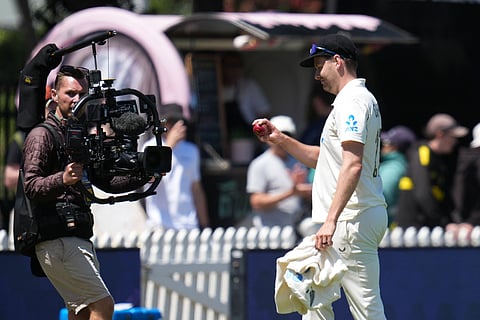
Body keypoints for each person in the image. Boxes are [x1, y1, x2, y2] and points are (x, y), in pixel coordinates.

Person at [254, 34, 387, 319]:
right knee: (311, 295)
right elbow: (324, 159)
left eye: (319, 66)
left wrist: (331, 219)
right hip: (350, 218)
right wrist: (280, 139)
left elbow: (352, 165)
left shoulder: (352, 101)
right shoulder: (352, 101)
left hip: (350, 220)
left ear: (337, 62)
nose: (316, 75)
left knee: (366, 311)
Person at [23, 65, 149, 319]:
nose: (77, 99)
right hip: (56, 239)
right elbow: (31, 186)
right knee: (103, 305)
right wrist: (62, 179)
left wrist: (144, 174)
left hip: (75, 237)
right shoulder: (42, 135)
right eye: (70, 93)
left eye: (81, 93)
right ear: (54, 96)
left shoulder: (79, 135)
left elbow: (106, 182)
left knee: (80, 312)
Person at [143, 103, 209, 230]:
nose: (174, 127)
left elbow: (196, 188)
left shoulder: (191, 150)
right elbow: (148, 180)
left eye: (177, 122)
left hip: (188, 225)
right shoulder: (150, 148)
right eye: (170, 122)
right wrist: (169, 146)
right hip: (160, 225)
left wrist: (205, 224)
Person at [396, 113, 468, 229]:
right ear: (440, 134)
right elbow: (423, 194)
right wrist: (445, 224)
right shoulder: (422, 153)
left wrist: (454, 222)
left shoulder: (441, 159)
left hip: (429, 227)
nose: (455, 141)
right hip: (413, 230)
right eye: (452, 136)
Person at [246, 115, 311, 228]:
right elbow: (256, 202)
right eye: (276, 134)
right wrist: (291, 193)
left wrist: (307, 193)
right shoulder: (259, 164)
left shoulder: (299, 161)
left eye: (287, 135)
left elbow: (304, 195)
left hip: (296, 230)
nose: (280, 139)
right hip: (270, 233)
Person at [221, 52, 271, 141]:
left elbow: (264, 114)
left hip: (245, 139)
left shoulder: (249, 86)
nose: (233, 70)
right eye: (230, 66)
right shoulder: (215, 87)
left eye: (237, 66)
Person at [447, 122, 480, 239]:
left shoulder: (464, 161)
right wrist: (471, 221)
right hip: (470, 228)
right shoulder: (473, 164)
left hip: (464, 224)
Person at [379, 125, 416, 227]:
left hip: (386, 228)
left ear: (394, 147)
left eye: (385, 143)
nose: (382, 146)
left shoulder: (393, 169)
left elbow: (382, 198)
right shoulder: (402, 165)